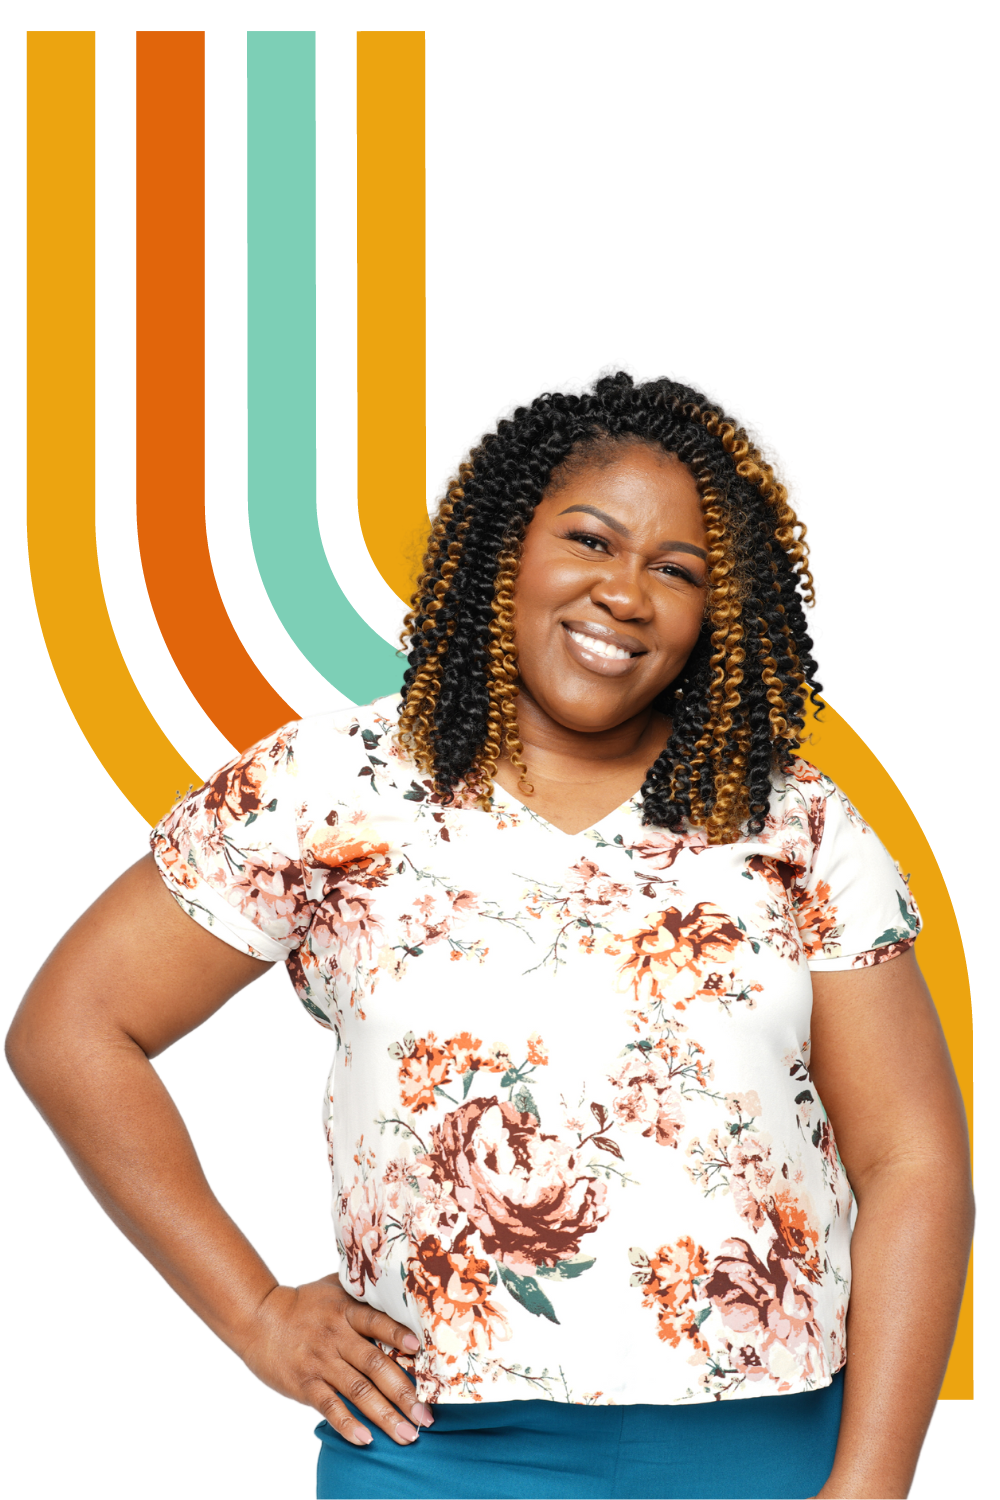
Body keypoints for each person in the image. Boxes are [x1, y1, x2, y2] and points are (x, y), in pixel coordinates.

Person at [6, 363, 974, 1500]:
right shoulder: (327, 785)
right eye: (590, 540)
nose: (626, 593)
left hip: (764, 1450)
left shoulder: (797, 820)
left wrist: (868, 1486)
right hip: (428, 1450)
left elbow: (910, 1159)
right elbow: (72, 1028)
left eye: (678, 570)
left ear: (721, 613)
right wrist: (257, 1313)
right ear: (501, 546)